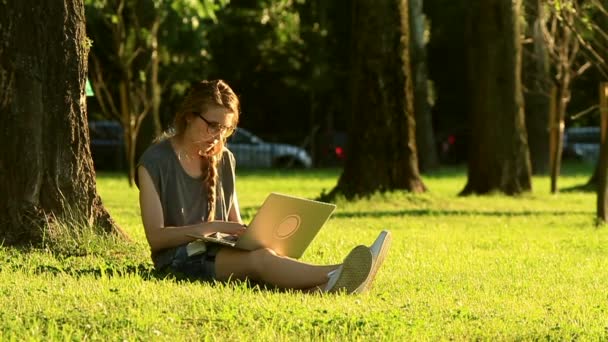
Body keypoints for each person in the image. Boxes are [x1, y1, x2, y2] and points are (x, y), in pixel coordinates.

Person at [135, 79, 391, 293]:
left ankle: (331, 282)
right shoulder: (155, 162)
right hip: (180, 260)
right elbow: (156, 238)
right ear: (189, 116)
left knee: (263, 252)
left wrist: (253, 234)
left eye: (226, 129)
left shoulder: (224, 158)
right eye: (213, 126)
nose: (219, 136)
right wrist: (212, 227)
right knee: (260, 260)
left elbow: (235, 224)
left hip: (218, 252)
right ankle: (337, 275)